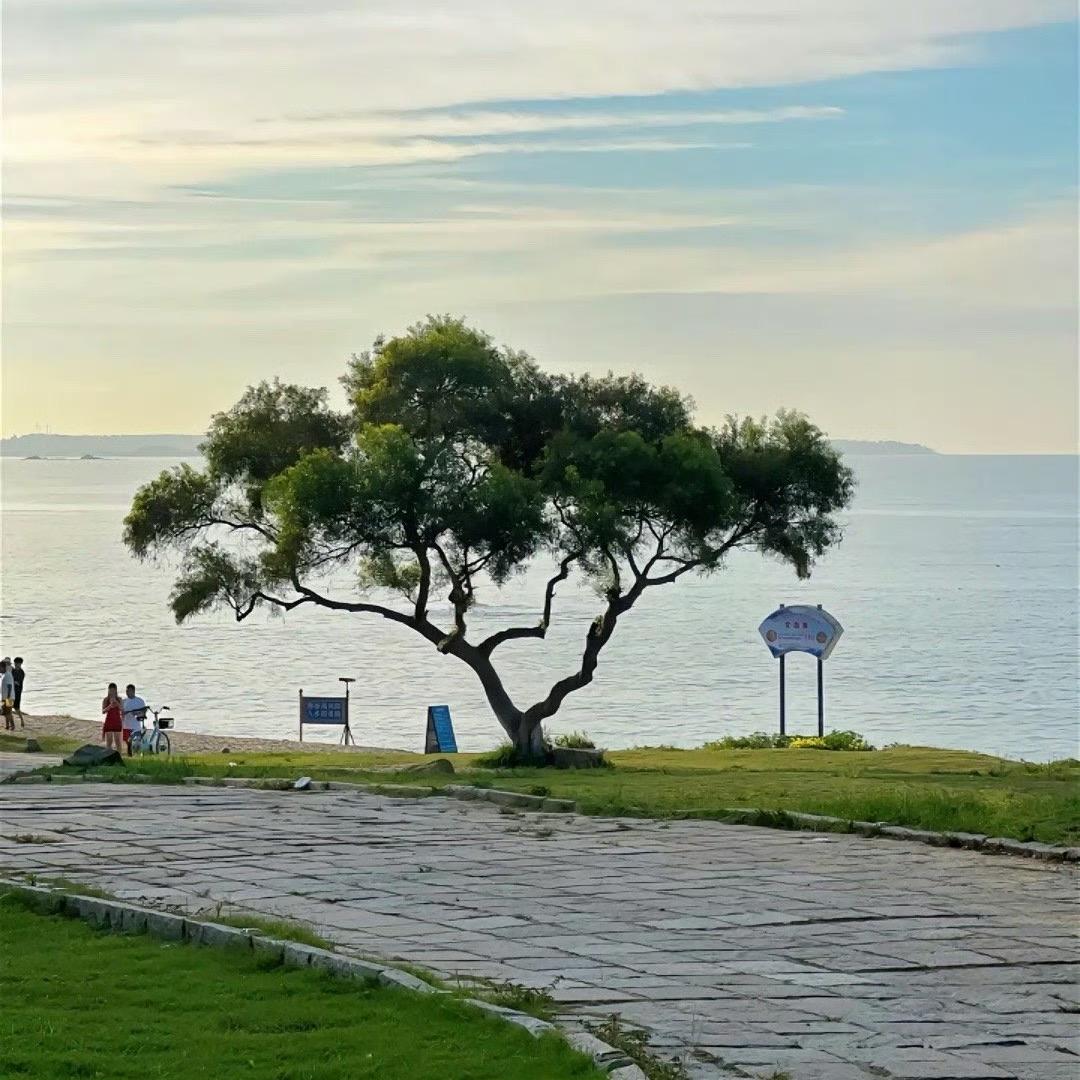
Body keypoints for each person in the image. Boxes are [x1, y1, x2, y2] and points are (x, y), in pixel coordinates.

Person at [121, 684, 147, 756]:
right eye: (126, 691)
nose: (127, 693)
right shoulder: (123, 701)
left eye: (128, 691)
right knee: (128, 743)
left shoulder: (140, 701)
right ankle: (130, 756)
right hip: (125, 726)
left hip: (136, 727)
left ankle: (132, 756)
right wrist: (123, 713)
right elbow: (120, 713)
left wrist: (136, 713)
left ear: (133, 691)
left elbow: (144, 713)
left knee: (133, 744)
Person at [101, 683, 123, 752]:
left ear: (116, 690)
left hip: (117, 721)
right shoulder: (106, 699)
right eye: (110, 690)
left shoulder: (119, 699)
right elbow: (103, 711)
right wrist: (110, 705)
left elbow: (122, 709)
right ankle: (109, 755)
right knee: (109, 742)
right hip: (109, 721)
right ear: (108, 690)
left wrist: (116, 702)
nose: (112, 692)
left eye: (113, 690)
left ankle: (119, 756)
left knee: (118, 741)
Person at [0, 660, 14, 732]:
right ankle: (8, 725)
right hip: (4, 698)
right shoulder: (3, 675)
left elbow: (10, 686)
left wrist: (8, 698)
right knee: (5, 712)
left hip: (9, 698)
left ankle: (11, 725)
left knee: (8, 712)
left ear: (2, 667)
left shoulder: (8, 675)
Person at [12, 658, 25, 727]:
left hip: (17, 693)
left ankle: (22, 720)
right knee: (8, 707)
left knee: (16, 708)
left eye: (17, 663)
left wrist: (12, 681)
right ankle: (11, 723)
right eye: (15, 663)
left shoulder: (22, 673)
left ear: (20, 664)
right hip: (10, 692)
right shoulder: (12, 671)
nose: (16, 664)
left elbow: (17, 682)